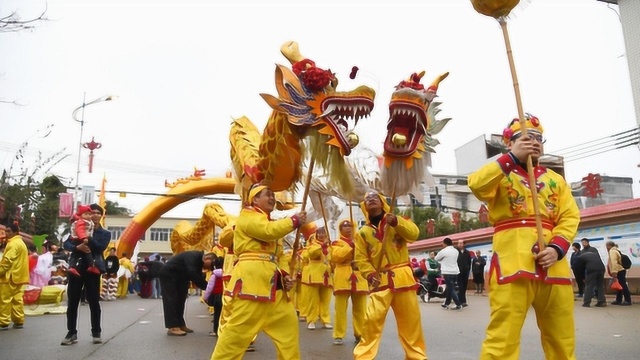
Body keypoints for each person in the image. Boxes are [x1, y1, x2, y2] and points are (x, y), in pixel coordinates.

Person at [468, 114, 580, 359]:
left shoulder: (555, 180)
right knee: (502, 339)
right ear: (510, 144)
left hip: (554, 266)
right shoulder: (499, 174)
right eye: (526, 138)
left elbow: (570, 216)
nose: (534, 142)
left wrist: (557, 248)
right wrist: (510, 159)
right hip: (512, 263)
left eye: (539, 138)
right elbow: (476, 185)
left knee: (562, 339)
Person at [211, 182, 306, 359]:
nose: (272, 198)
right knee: (235, 338)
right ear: (254, 199)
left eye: (273, 194)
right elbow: (267, 232)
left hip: (273, 288)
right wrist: (294, 221)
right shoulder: (247, 216)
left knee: (289, 330)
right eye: (267, 194)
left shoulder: (271, 222)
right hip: (251, 285)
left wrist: (285, 275)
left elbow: (279, 256)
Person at [353, 191, 427, 360]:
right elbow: (361, 258)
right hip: (379, 280)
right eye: (367, 199)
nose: (371, 199)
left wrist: (396, 222)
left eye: (375, 197)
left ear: (382, 202)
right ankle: (363, 357)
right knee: (371, 321)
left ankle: (416, 357)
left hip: (403, 278)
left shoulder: (397, 220)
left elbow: (414, 234)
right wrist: (369, 274)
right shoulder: (362, 232)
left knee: (411, 323)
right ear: (364, 206)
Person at [61, 204, 111, 345]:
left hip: (92, 269)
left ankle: (96, 332)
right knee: (73, 301)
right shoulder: (77, 225)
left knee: (94, 301)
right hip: (76, 269)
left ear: (101, 216)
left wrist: (88, 236)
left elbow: (100, 248)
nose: (94, 215)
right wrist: (77, 247)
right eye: (91, 213)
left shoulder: (104, 233)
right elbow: (66, 244)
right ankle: (71, 333)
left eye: (97, 213)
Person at [159, 250, 215, 336]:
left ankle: (180, 324)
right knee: (171, 300)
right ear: (206, 258)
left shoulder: (198, 263)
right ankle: (173, 326)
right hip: (169, 275)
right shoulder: (193, 256)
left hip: (181, 278)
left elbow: (198, 277)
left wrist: (209, 289)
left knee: (181, 300)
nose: (208, 269)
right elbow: (192, 273)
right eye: (210, 265)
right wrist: (208, 288)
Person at [330, 219, 368, 346]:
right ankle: (338, 335)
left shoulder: (360, 241)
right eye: (344, 226)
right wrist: (350, 246)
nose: (347, 228)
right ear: (340, 229)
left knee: (361, 309)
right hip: (342, 275)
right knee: (340, 309)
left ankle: (360, 333)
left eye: (350, 226)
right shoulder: (337, 243)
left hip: (359, 275)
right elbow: (336, 257)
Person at [301, 226, 333, 331]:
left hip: (326, 275)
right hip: (314, 274)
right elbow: (312, 254)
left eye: (323, 233)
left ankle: (326, 320)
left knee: (326, 300)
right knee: (312, 300)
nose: (321, 235)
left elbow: (333, 258)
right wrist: (322, 245)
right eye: (319, 233)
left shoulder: (330, 246)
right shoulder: (312, 245)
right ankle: (311, 320)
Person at [0, 222, 29, 330]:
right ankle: (18, 320)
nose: (6, 233)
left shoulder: (13, 244)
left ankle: (3, 322)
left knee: (5, 300)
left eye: (9, 231)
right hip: (19, 277)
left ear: (15, 232)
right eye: (6, 231)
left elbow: (7, 261)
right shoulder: (21, 243)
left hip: (10, 277)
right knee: (17, 300)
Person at [67, 205, 100, 277]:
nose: (89, 216)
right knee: (80, 253)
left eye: (89, 214)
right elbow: (80, 231)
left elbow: (100, 247)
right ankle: (75, 267)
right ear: (81, 215)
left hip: (89, 272)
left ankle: (90, 266)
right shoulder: (81, 222)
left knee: (85, 252)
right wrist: (84, 238)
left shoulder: (104, 232)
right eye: (86, 214)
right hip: (79, 240)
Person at [435, 237, 462, 310]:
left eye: (443, 243)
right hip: (455, 271)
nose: (442, 245)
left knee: (451, 288)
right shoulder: (455, 251)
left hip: (447, 272)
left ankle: (458, 304)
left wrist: (442, 259)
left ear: (445, 243)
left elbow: (436, 258)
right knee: (449, 288)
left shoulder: (444, 251)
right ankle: (447, 303)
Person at [606, 241, 632, 306]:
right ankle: (618, 300)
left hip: (618, 270)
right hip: (620, 270)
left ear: (609, 246)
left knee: (623, 285)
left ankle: (627, 300)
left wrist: (614, 272)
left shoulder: (612, 251)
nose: (606, 248)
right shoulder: (615, 250)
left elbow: (614, 262)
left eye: (606, 246)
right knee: (618, 285)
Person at [203, 256, 224, 337]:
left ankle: (216, 330)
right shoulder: (228, 273)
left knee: (217, 314)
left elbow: (209, 287)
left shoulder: (214, 275)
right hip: (226, 296)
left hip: (217, 296)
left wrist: (205, 297)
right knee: (224, 315)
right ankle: (224, 330)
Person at [456, 239, 472, 306]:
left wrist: (468, 268)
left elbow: (469, 262)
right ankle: (460, 301)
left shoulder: (467, 252)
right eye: (458, 243)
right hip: (458, 271)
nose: (459, 244)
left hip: (465, 271)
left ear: (464, 244)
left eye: (461, 243)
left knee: (464, 286)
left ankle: (463, 301)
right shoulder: (455, 252)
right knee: (460, 286)